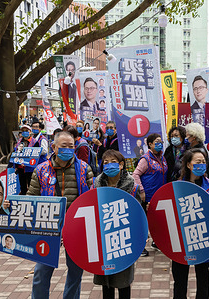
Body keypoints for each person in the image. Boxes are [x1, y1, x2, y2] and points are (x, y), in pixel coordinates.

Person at [29, 131, 93, 299]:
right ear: (54, 147)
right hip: (49, 226)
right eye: (63, 146)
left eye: (71, 147)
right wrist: (12, 204)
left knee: (75, 271)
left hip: (76, 227)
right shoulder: (41, 170)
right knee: (41, 271)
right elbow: (31, 199)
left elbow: (92, 197)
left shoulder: (84, 169)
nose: (68, 150)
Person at [172, 148, 209, 299]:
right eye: (198, 162)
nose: (201, 165)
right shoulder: (176, 187)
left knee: (203, 277)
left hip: (203, 238)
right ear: (189, 165)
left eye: (203, 162)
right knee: (180, 280)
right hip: (182, 239)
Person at [93, 149, 141, 299]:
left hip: (124, 237)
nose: (109, 166)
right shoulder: (97, 183)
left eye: (113, 162)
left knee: (123, 280)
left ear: (121, 165)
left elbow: (137, 213)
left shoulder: (132, 186)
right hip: (104, 236)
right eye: (105, 163)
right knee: (106, 278)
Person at [133, 133, 167, 255]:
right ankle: (140, 247)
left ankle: (156, 242)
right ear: (150, 144)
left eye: (160, 142)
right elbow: (135, 175)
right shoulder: (145, 159)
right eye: (156, 142)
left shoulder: (162, 158)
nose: (159, 144)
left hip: (159, 195)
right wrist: (141, 190)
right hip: (148, 195)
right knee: (143, 222)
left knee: (158, 220)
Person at [12, 124, 47, 194]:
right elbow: (16, 153)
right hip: (20, 166)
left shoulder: (35, 142)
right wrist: (15, 165)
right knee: (22, 185)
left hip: (30, 167)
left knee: (31, 184)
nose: (25, 132)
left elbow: (36, 154)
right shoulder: (19, 142)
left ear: (30, 132)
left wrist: (27, 162)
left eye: (26, 131)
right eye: (23, 131)